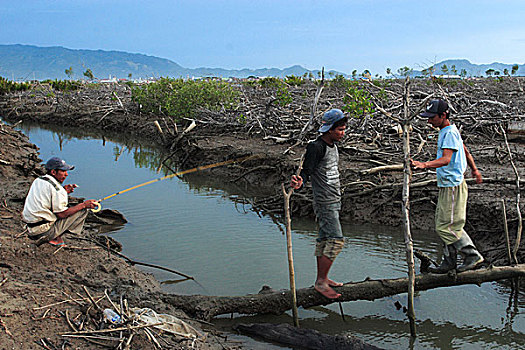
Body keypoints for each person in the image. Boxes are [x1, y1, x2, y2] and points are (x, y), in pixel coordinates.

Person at [411, 99, 484, 273]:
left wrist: (424, 165)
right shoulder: (450, 130)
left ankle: (472, 255)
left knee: (447, 226)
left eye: (432, 117)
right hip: (449, 185)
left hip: (453, 186)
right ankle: (449, 261)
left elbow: (446, 159)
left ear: (443, 115)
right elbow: (465, 151)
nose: (429, 121)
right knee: (445, 223)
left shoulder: (449, 132)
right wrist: (474, 169)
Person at [290, 109, 347, 298]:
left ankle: (323, 278)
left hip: (334, 198)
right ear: (329, 130)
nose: (342, 133)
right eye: (339, 129)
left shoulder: (332, 145)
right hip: (325, 201)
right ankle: (321, 282)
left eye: (344, 129)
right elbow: (307, 171)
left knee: (324, 238)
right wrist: (300, 182)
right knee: (336, 240)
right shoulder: (316, 147)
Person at [22, 157, 98, 246]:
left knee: (67, 208)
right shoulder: (57, 190)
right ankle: (54, 237)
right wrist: (84, 205)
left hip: (31, 228)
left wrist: (64, 191)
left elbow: (48, 197)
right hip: (42, 232)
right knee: (82, 210)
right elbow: (61, 214)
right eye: (63, 171)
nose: (66, 174)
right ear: (53, 172)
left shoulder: (39, 180)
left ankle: (53, 234)